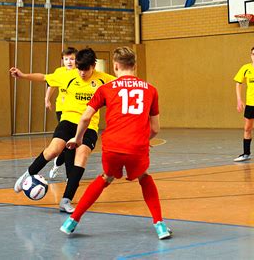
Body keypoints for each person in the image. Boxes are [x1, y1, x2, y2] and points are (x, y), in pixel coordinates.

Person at [59, 46, 172, 240]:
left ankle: (72, 221)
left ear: (115, 66)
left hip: (112, 146)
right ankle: (160, 225)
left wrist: (77, 139)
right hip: (137, 146)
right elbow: (155, 128)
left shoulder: (105, 88)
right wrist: (143, 141)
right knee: (144, 177)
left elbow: (85, 118)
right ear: (134, 66)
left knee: (105, 177)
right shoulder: (151, 90)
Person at [10, 48, 115, 213]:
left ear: (93, 66)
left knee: (81, 157)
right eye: (79, 68)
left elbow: (123, 84)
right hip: (68, 120)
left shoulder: (104, 80)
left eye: (85, 69)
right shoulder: (67, 75)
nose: (81, 72)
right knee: (54, 150)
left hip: (89, 126)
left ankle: (66, 200)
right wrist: (23, 76)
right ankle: (27, 175)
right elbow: (44, 77)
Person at [45, 47, 78, 180]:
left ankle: (58, 163)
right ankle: (69, 175)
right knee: (68, 142)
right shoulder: (59, 72)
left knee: (73, 144)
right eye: (66, 59)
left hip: (78, 111)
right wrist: (47, 99)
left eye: (72, 59)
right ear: (62, 60)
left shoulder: (81, 72)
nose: (69, 62)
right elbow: (51, 85)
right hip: (62, 110)